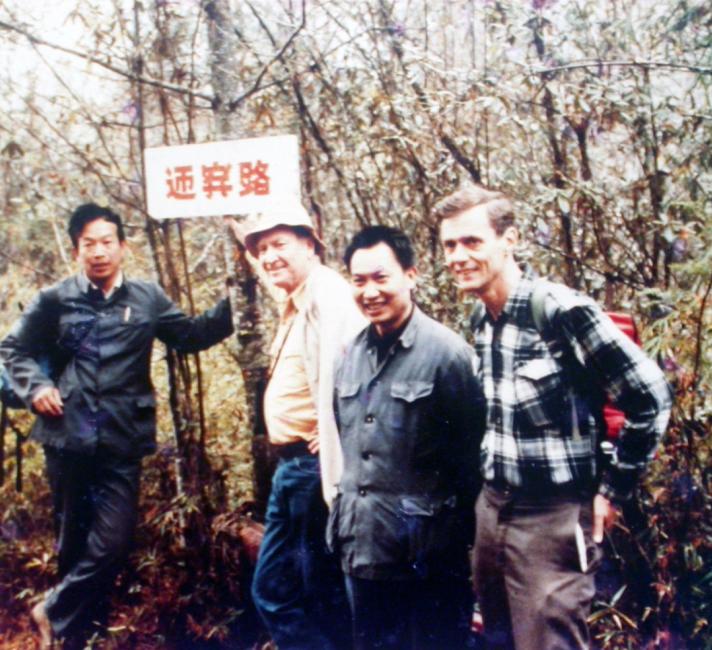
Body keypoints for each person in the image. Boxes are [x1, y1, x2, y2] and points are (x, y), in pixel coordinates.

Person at [435, 182, 672, 650]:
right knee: (497, 640)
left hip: (554, 517)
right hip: (493, 510)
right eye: (449, 245)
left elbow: (652, 397)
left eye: (472, 241)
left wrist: (612, 491)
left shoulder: (562, 312)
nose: (458, 256)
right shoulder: (481, 321)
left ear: (511, 239)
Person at [0, 203, 234, 649]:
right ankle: (75, 638)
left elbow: (191, 335)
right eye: (89, 244)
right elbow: (13, 349)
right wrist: (36, 387)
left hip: (122, 440)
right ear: (76, 251)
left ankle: (52, 610)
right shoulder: (55, 299)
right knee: (72, 542)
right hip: (66, 437)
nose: (99, 252)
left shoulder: (146, 298)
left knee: (114, 541)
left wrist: (238, 297)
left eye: (107, 242)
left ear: (123, 247)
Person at [330, 226, 484, 650]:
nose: (370, 291)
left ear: (411, 276)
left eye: (381, 278)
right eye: (358, 281)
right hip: (362, 551)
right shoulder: (349, 356)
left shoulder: (448, 356)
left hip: (428, 557)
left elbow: (470, 464)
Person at [228, 205, 364, 650]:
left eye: (279, 244)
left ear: (311, 244)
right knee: (273, 591)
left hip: (314, 470)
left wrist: (337, 433)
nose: (269, 257)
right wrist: (242, 234)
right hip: (290, 471)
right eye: (261, 249)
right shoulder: (298, 295)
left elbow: (360, 369)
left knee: (316, 593)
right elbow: (269, 273)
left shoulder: (330, 296)